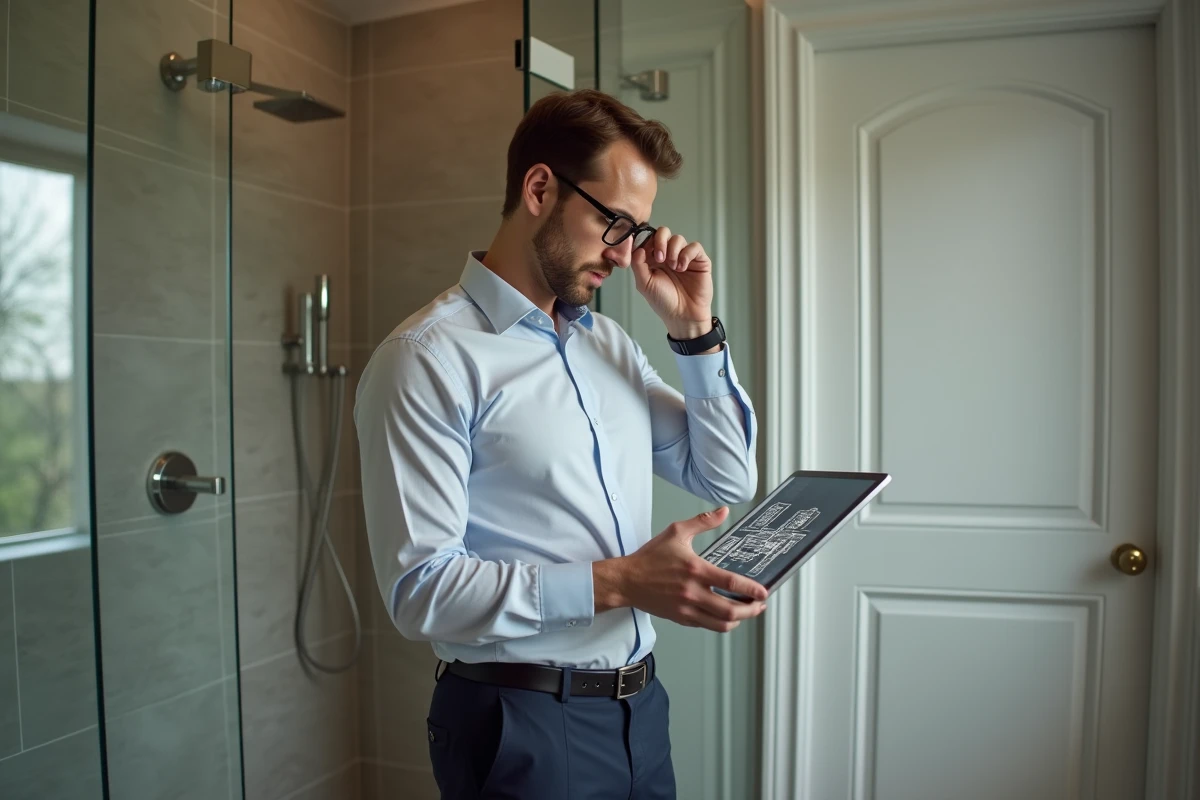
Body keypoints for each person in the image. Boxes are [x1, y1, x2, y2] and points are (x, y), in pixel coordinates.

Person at [354, 88, 767, 800]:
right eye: (613, 223)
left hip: (641, 710)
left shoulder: (608, 343)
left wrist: (694, 332)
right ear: (540, 187)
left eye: (637, 231)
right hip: (519, 724)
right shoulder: (426, 357)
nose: (624, 254)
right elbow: (419, 592)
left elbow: (725, 476)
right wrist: (619, 582)